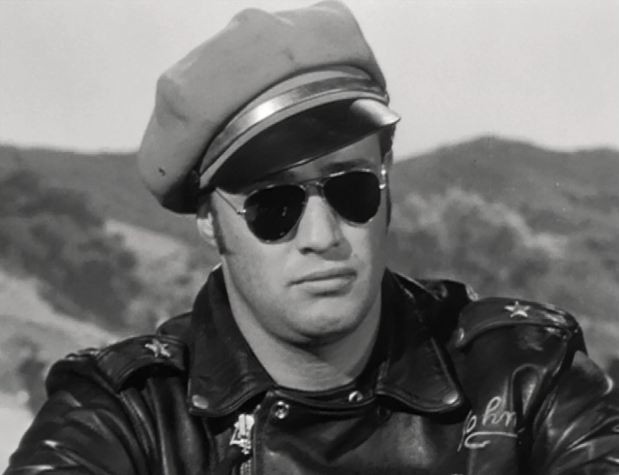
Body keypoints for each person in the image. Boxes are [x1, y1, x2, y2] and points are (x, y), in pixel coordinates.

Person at [6, 2, 619, 474]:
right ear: (209, 220)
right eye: (274, 207)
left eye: (352, 190)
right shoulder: (128, 419)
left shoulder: (525, 375)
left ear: (387, 187)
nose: (323, 237)